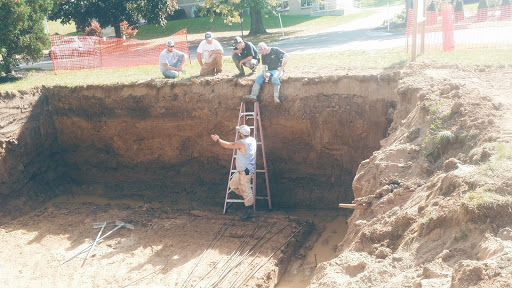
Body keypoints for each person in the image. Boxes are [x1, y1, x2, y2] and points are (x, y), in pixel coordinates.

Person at [211, 125, 256, 220]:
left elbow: (228, 145)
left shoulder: (242, 143)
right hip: (243, 171)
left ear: (242, 134)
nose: (238, 133)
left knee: (247, 191)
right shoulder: (252, 140)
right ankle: (248, 200)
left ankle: (249, 211)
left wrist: (217, 140)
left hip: (245, 172)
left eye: (239, 132)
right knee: (233, 186)